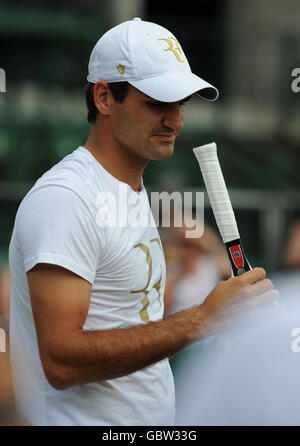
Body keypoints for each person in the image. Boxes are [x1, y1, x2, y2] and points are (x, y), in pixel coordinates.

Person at [9, 17, 277, 426]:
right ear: (103, 97)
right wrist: (203, 319)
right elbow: (61, 362)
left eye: (181, 103)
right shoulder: (65, 199)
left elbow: (134, 321)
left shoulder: (130, 191)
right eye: (156, 103)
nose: (176, 120)